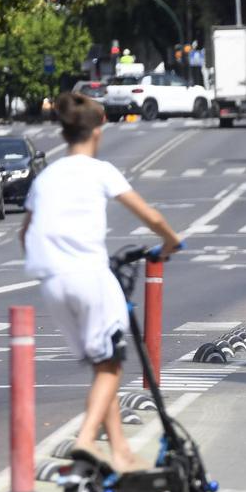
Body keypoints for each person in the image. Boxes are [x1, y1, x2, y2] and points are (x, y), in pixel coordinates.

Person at [21, 92, 181, 472]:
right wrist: (171, 242)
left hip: (52, 282)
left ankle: (121, 451)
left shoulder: (47, 176)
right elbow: (150, 216)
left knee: (101, 366)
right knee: (112, 367)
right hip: (89, 276)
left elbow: (26, 231)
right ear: (98, 129)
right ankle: (87, 439)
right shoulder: (100, 170)